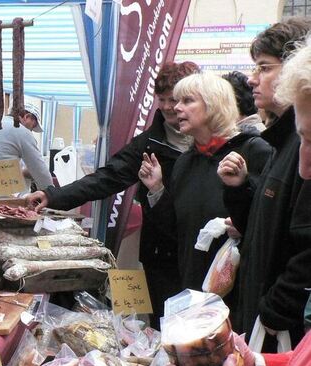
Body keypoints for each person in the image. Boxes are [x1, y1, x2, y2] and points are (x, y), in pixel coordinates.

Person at [168, 41, 311, 366]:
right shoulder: (185, 162)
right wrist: (257, 362)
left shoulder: (258, 148)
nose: (304, 170)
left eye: (188, 100)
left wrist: (274, 306)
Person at [25, 62, 199, 329]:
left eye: (174, 99)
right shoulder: (148, 143)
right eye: (161, 99)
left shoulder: (211, 141)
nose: (167, 107)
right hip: (163, 256)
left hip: (202, 255)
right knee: (167, 329)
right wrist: (54, 196)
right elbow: (106, 178)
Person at [217, 18, 311, 349]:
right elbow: (266, 231)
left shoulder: (295, 145)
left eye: (264, 68)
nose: (252, 79)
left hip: (282, 331)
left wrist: (276, 308)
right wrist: (240, 192)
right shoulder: (281, 143)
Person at [138, 72, 271, 296]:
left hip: (238, 294)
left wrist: (242, 190)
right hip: (193, 290)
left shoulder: (254, 151)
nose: (176, 108)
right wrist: (157, 190)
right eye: (177, 100)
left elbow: (268, 225)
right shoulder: (185, 162)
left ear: (214, 105)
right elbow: (177, 232)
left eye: (187, 101)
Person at [0, 103, 53, 195]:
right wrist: (52, 196)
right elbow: (41, 172)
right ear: (27, 117)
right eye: (33, 126)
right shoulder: (22, 131)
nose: (31, 131)